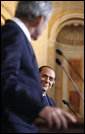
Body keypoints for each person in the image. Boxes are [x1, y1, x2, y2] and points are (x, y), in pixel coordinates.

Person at [1, 1, 76, 133]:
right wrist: (41, 108)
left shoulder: (15, 35)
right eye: (47, 22)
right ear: (40, 19)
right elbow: (5, 80)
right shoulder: (13, 34)